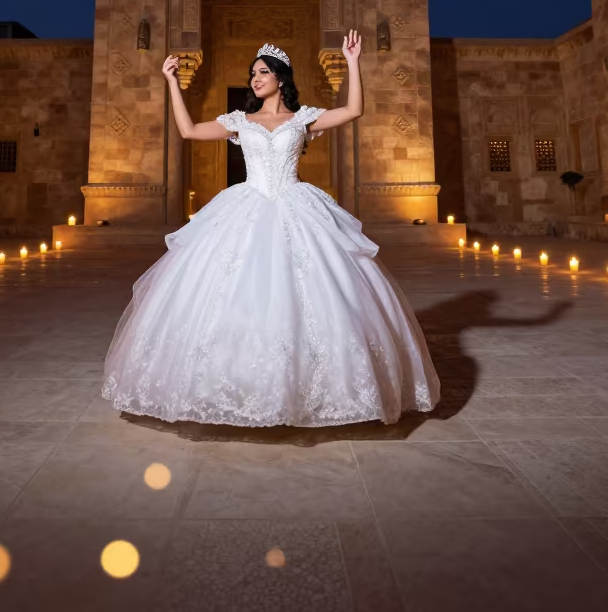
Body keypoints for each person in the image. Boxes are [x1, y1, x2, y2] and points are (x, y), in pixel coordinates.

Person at [101, 31, 440, 427]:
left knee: (317, 293)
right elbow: (189, 131)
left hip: (297, 207)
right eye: (252, 73)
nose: (255, 78)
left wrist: (352, 61)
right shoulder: (239, 121)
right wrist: (172, 83)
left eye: (263, 72)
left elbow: (352, 111)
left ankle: (313, 390)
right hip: (246, 207)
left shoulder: (303, 119)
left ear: (280, 77)